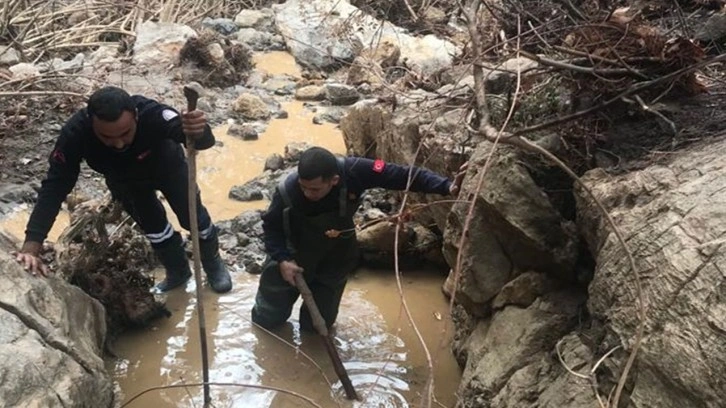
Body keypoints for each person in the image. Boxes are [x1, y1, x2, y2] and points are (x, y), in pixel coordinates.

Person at [13, 86, 233, 294]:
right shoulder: (76, 133)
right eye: (107, 137)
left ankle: (213, 264)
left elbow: (197, 139)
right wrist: (32, 246)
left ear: (136, 116)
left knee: (194, 219)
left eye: (125, 133)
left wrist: (199, 130)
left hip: (169, 169)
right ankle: (178, 272)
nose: (118, 143)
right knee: (155, 229)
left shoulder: (154, 113)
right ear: (92, 124)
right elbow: (55, 185)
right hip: (126, 182)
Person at [251, 146, 465, 332]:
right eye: (303, 187)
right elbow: (271, 227)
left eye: (314, 189)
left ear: (334, 181)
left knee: (319, 326)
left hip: (335, 254)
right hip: (292, 253)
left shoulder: (355, 172)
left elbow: (401, 175)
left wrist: (445, 186)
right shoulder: (287, 191)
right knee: (267, 319)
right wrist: (282, 259)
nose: (307, 193)